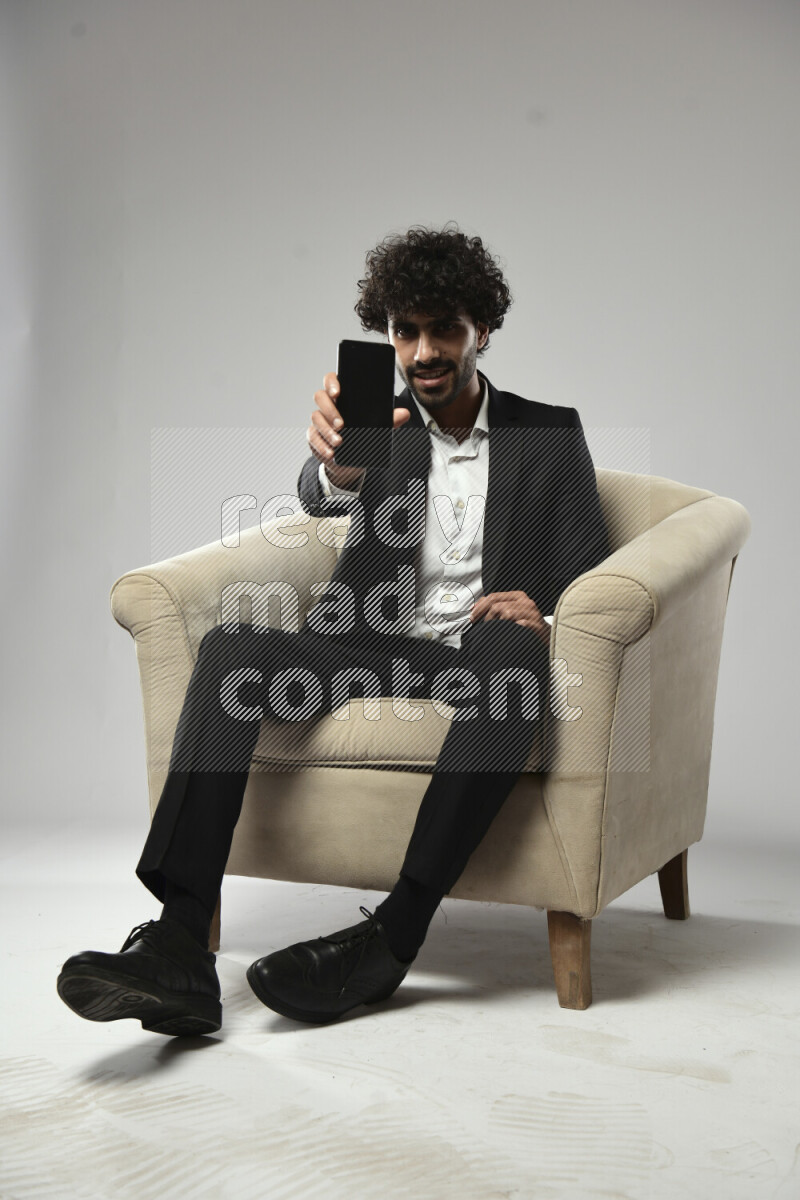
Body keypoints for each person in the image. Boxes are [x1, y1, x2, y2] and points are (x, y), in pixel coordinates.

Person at [57, 223, 610, 1036]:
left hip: (479, 654)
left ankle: (396, 932)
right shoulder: (381, 429)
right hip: (373, 647)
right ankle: (179, 942)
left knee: (515, 654)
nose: (422, 350)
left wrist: (547, 611)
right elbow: (321, 494)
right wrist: (334, 470)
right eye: (405, 330)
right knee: (232, 650)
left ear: (481, 330)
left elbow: (590, 563)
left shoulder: (550, 431)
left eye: (443, 328)